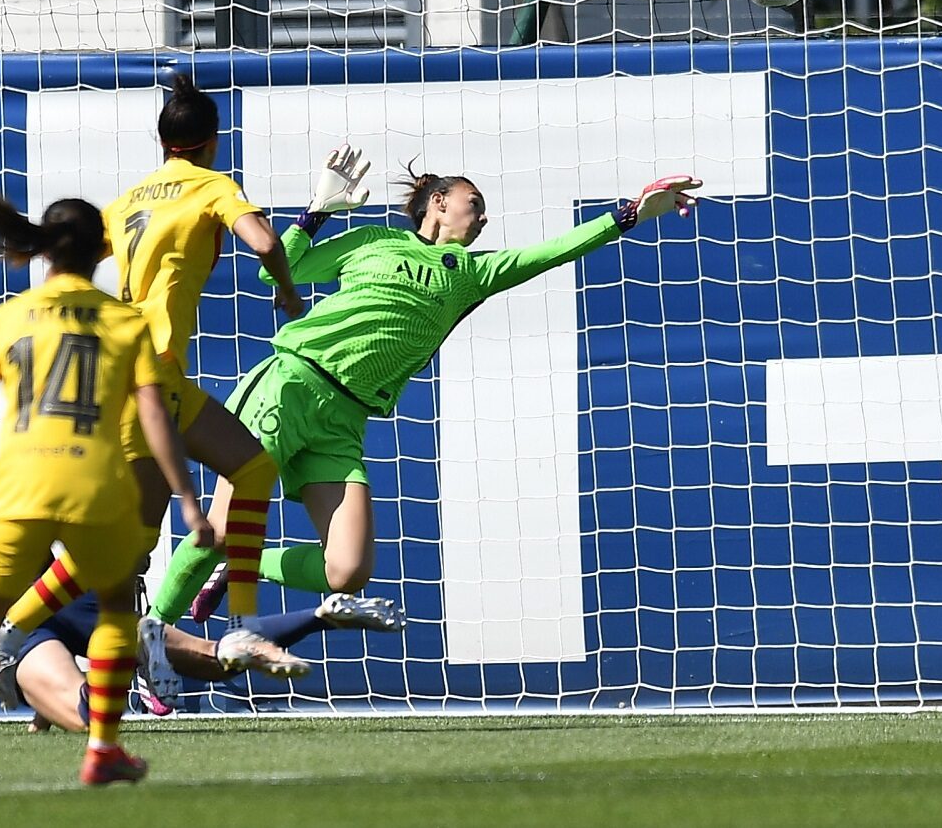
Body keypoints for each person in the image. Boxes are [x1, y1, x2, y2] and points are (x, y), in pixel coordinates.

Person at [146, 150, 703, 626]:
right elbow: (277, 270)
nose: (481, 218)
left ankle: (241, 560)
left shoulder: (472, 271)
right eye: (473, 204)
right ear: (438, 202)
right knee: (217, 529)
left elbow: (556, 249)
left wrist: (631, 214)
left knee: (347, 572)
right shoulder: (372, 242)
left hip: (346, 420)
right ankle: (147, 647)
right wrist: (318, 211)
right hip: (291, 385)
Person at [0, 74, 311, 708]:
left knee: (251, 467)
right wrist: (284, 288)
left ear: (163, 141)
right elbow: (267, 242)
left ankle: (241, 621)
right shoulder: (214, 186)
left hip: (160, 375)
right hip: (147, 377)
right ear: (213, 143)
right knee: (126, 549)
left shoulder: (132, 196)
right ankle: (13, 628)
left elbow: (70, 256)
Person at [0, 191, 215, 793]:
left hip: (18, 486)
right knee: (115, 613)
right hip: (95, 486)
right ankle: (103, 748)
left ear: (45, 251)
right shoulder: (125, 321)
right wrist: (186, 499)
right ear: (103, 249)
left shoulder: (7, 318)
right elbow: (155, 415)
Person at [0, 473, 400, 738]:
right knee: (218, 656)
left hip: (11, 624)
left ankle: (128, 679)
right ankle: (320, 614)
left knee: (89, 714)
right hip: (67, 592)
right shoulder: (25, 539)